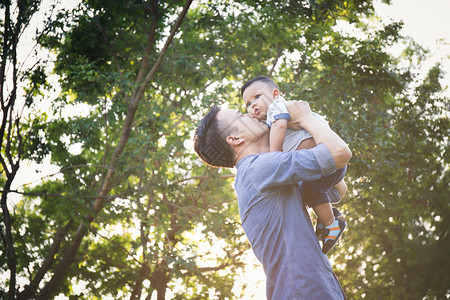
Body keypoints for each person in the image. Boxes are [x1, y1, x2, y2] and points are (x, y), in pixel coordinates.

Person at [193, 100, 352, 299]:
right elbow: (340, 153)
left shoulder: (261, 174)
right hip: (305, 291)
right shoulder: (257, 169)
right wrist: (306, 118)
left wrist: (294, 134)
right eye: (241, 115)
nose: (251, 113)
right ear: (234, 138)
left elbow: (339, 188)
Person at [241, 75, 347, 254]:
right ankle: (328, 215)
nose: (253, 106)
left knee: (311, 192)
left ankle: (332, 225)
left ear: (275, 94)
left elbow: (280, 126)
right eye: (248, 104)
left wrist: (274, 155)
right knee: (309, 194)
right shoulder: (269, 120)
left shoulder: (277, 107)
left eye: (257, 97)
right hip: (320, 165)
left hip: (326, 160)